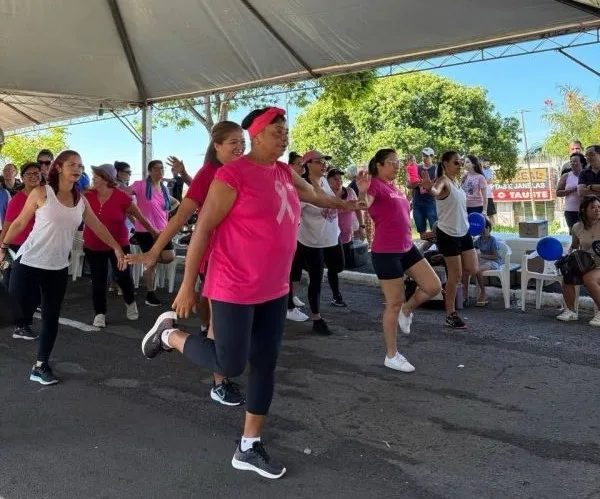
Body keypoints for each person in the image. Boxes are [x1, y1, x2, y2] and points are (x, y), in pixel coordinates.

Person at [140, 107, 362, 479]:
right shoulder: (231, 174)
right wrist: (186, 285)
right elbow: (203, 230)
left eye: (286, 131)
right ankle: (169, 335)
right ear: (256, 135)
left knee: (264, 365)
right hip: (233, 285)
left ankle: (249, 445)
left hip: (273, 289)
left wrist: (345, 204)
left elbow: (312, 195)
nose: (284, 137)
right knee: (229, 364)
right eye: (277, 131)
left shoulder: (282, 172)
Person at [128, 121, 246, 406]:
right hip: (219, 259)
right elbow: (180, 217)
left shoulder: (241, 171)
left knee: (226, 324)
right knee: (220, 323)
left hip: (244, 260)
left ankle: (201, 339)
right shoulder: (210, 172)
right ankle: (218, 381)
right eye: (233, 142)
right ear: (216, 146)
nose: (240, 147)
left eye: (242, 141)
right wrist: (154, 251)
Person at [0, 150, 128, 385]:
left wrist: (117, 247)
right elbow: (19, 222)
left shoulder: (81, 200)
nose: (77, 169)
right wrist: (3, 245)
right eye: (72, 164)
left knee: (50, 317)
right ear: (59, 167)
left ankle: (41, 365)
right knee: (17, 314)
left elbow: (97, 225)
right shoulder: (42, 192)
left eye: (80, 165)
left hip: (57, 267)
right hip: (29, 262)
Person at [358, 149, 441, 372]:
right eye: (392, 163)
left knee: (433, 286)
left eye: (398, 162)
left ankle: (408, 310)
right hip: (386, 251)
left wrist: (425, 187)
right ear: (379, 166)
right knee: (392, 303)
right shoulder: (374, 185)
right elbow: (364, 205)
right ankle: (391, 355)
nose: (397, 166)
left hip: (406, 247)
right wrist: (362, 193)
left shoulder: (394, 187)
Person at [84, 164, 158, 328]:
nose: (93, 179)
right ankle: (100, 313)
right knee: (98, 280)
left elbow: (140, 217)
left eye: (96, 176)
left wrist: (154, 232)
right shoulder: (87, 196)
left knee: (123, 277)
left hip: (119, 245)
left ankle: (130, 302)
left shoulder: (122, 197)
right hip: (93, 246)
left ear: (106, 178)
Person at [419, 151, 477, 329]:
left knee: (473, 268)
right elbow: (436, 192)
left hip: (464, 231)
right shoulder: (442, 181)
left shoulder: (457, 183)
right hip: (448, 233)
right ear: (445, 164)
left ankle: (443, 265)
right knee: (456, 275)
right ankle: (450, 314)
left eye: (460, 162)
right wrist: (429, 187)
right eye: (456, 162)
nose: (459, 165)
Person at [298, 149, 347, 336]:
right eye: (319, 161)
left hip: (332, 236)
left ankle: (306, 267)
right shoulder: (304, 187)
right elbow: (297, 211)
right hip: (312, 240)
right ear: (308, 164)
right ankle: (317, 318)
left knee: (340, 265)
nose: (324, 164)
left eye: (324, 161)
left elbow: (331, 200)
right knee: (316, 280)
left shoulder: (325, 181)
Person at [130, 160, 179, 306]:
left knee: (169, 257)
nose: (161, 171)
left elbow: (175, 202)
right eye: (157, 169)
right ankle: (150, 294)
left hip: (163, 230)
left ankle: (145, 258)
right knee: (151, 265)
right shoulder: (140, 185)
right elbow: (125, 195)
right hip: (145, 231)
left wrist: (166, 212)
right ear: (150, 171)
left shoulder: (163, 189)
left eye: (162, 169)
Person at [0, 162, 42, 331]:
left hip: (39, 247)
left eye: (36, 173)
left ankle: (20, 320)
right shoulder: (17, 200)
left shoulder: (47, 195)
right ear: (23, 178)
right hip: (18, 248)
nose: (33, 176)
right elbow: (9, 225)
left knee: (32, 288)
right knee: (19, 288)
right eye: (29, 174)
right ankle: (21, 325)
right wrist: (2, 248)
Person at [557, 195, 600, 325]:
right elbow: (574, 246)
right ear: (583, 210)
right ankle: (571, 311)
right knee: (567, 271)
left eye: (599, 207)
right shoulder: (577, 227)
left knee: (589, 278)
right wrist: (566, 257)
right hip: (587, 263)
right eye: (593, 207)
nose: (597, 210)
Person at [286, 151, 308, 321]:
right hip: (284, 235)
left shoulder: (298, 185)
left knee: (295, 268)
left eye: (303, 164)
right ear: (290, 166)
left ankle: (290, 300)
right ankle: (288, 307)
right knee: (285, 271)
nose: (302, 167)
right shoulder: (284, 181)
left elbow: (316, 196)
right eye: (299, 164)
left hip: (295, 233)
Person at [327, 168, 365, 260]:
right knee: (334, 263)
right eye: (335, 179)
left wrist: (361, 226)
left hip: (347, 235)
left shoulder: (350, 191)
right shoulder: (326, 194)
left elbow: (358, 209)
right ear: (328, 181)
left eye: (340, 178)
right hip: (330, 236)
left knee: (344, 262)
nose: (339, 181)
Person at [463, 219, 502, 306]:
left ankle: (483, 293)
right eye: (482, 228)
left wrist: (481, 256)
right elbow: (471, 249)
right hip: (483, 261)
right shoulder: (478, 240)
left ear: (489, 229)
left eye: (486, 228)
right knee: (465, 270)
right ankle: (464, 295)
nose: (484, 230)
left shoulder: (493, 240)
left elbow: (495, 257)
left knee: (478, 270)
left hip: (494, 262)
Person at [409, 147, 438, 238]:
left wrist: (429, 185)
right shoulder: (416, 168)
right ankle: (427, 250)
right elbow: (409, 185)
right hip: (417, 204)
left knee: (436, 229)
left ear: (432, 156)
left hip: (431, 203)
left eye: (427, 156)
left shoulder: (436, 169)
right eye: (423, 155)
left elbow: (438, 187)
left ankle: (438, 249)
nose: (424, 157)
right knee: (421, 232)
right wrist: (416, 183)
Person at [557, 152, 586, 232]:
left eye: (575, 161)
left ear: (582, 163)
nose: (573, 163)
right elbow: (558, 193)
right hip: (570, 211)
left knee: (586, 234)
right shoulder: (566, 176)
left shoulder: (588, 175)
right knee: (573, 234)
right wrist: (572, 190)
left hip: (586, 210)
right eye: (571, 161)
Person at [481, 158, 496, 224]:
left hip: (488, 195)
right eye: (485, 162)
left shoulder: (489, 170)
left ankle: (494, 228)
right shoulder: (477, 171)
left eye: (488, 163)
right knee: (481, 214)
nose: (487, 164)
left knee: (490, 214)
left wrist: (483, 181)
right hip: (479, 196)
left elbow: (489, 181)